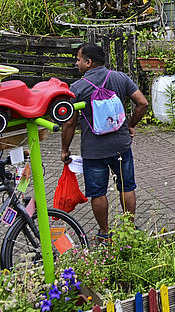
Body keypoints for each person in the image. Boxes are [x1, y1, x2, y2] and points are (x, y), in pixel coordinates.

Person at [60, 43, 148, 241]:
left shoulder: (78, 88)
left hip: (93, 150)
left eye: (78, 59)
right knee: (127, 187)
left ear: (88, 62)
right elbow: (142, 103)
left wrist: (64, 150)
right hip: (121, 146)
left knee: (98, 193)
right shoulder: (120, 77)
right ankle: (129, 230)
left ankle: (104, 233)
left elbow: (69, 123)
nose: (77, 63)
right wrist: (130, 125)